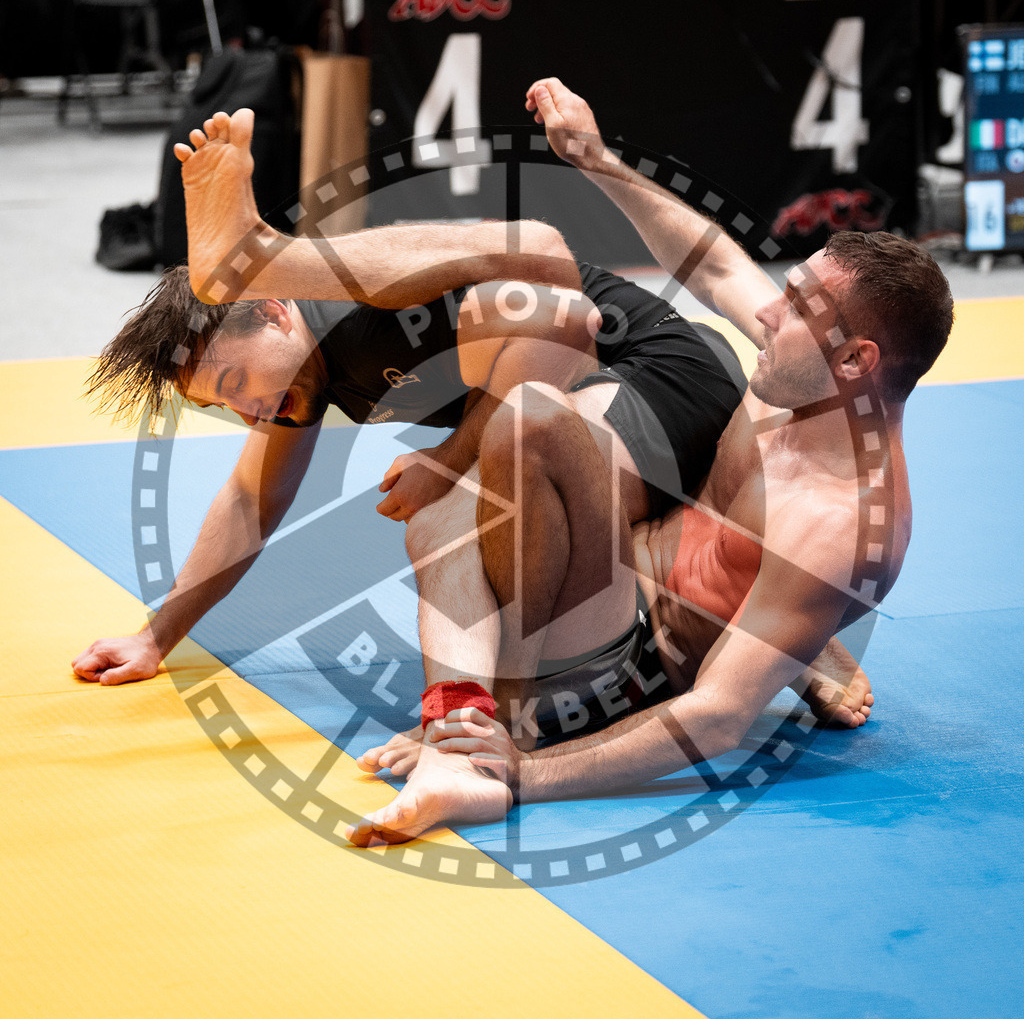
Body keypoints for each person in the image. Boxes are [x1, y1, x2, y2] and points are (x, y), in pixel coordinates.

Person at [341, 78, 953, 847]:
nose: (769, 312)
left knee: (526, 426)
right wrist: (598, 161)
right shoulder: (810, 372)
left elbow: (720, 718)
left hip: (629, 674)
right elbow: (717, 265)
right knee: (446, 507)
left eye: (795, 310)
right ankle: (468, 721)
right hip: (631, 568)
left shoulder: (841, 523)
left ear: (859, 358)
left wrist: (526, 768)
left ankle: (475, 739)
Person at [72, 107, 745, 688]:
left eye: (235, 383)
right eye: (225, 406)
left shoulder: (362, 315)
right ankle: (752, 611)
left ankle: (737, 618)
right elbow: (249, 501)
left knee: (485, 511)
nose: (247, 410)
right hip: (599, 404)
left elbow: (547, 262)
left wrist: (451, 457)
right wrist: (156, 638)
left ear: (275, 313)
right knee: (458, 516)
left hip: (657, 375)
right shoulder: (305, 375)